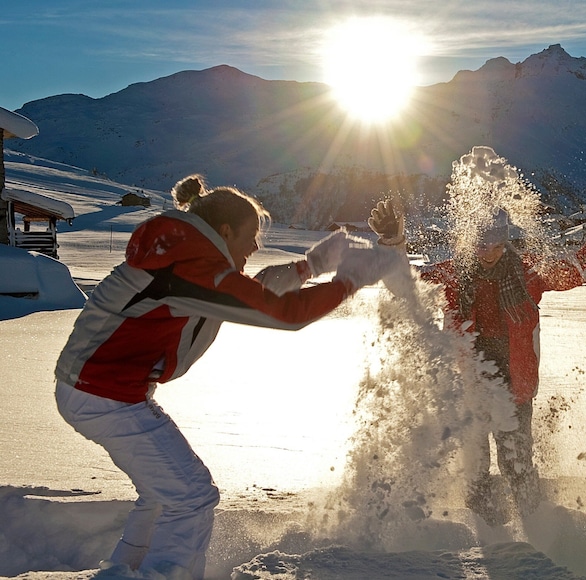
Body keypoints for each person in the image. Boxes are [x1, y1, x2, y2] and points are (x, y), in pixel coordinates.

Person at [54, 175, 399, 579]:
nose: (256, 246)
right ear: (225, 231)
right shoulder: (189, 265)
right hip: (103, 395)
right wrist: (350, 279)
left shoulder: (185, 256)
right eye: (251, 235)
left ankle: (123, 570)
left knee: (164, 496)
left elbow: (242, 292)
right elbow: (284, 313)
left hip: (102, 390)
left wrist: (309, 266)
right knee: (193, 497)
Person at [368, 201, 586, 525]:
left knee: (518, 466)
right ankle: (489, 540)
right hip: (469, 389)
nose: (489, 253)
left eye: (496, 245)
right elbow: (404, 287)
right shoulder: (452, 275)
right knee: (476, 470)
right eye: (482, 245)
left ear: (505, 241)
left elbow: (579, 269)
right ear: (470, 241)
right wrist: (393, 244)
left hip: (515, 391)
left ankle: (537, 532)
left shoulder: (526, 273)